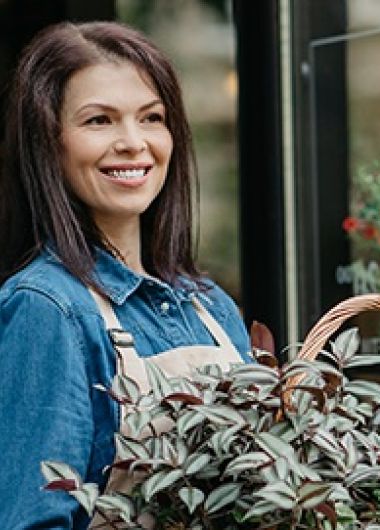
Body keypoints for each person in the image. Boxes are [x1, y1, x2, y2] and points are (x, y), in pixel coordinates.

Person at [0, 21, 251, 529]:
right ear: (48, 141)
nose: (134, 143)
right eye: (99, 121)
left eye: (151, 118)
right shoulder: (48, 308)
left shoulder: (211, 307)